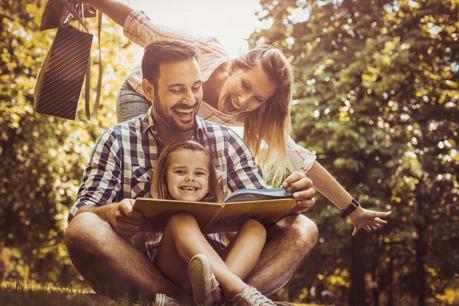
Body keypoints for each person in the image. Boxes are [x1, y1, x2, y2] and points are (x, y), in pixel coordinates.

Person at [75, 0, 391, 237]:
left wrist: (352, 209)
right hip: (143, 97)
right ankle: (126, 245)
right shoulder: (201, 50)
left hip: (189, 125)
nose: (242, 101)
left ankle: (183, 257)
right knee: (150, 170)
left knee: (187, 175)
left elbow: (302, 160)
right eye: (245, 86)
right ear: (234, 66)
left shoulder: (248, 114)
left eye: (257, 99)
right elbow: (139, 23)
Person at [64, 40, 317, 305]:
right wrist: (111, 213)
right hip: (148, 270)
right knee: (82, 227)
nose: (190, 99)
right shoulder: (117, 139)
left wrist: (292, 201)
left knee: (303, 227)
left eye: (196, 87)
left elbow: (263, 209)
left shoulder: (226, 141)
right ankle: (198, 300)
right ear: (149, 90)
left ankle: (228, 297)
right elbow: (82, 212)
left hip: (223, 266)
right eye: (176, 89)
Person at [149, 140, 272, 305]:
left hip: (215, 276)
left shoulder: (218, 213)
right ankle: (238, 290)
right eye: (180, 171)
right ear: (164, 179)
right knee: (181, 220)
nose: (190, 178)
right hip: (172, 277)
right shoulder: (152, 209)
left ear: (209, 184)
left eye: (199, 173)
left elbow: (239, 243)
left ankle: (215, 296)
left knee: (255, 228)